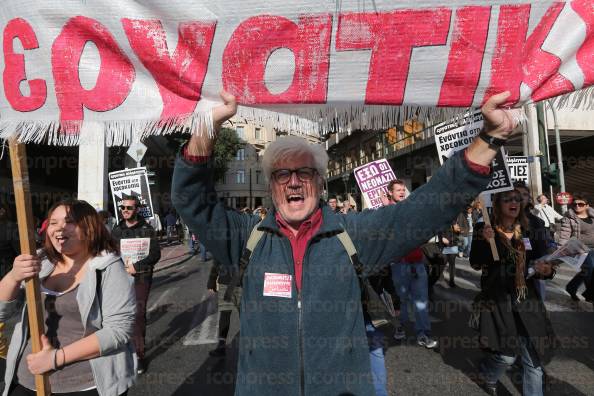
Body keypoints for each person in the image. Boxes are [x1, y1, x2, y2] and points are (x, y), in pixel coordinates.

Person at [172, 90, 519, 395]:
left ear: (320, 183)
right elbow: (190, 201)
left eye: (304, 173)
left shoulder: (352, 235)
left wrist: (491, 137)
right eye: (283, 174)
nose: (294, 183)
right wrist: (207, 125)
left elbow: (425, 211)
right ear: (271, 186)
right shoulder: (245, 238)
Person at [0, 199, 135, 396]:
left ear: (89, 227)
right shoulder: (40, 260)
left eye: (69, 221)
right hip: (27, 379)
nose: (59, 228)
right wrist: (13, 276)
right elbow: (2, 313)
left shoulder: (108, 267)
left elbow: (118, 331)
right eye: (53, 223)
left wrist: (55, 358)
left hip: (85, 383)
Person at [469, 189, 557, 396]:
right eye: (508, 199)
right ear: (497, 204)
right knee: (507, 356)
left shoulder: (529, 229)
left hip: (527, 300)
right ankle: (489, 375)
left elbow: (540, 261)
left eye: (517, 199)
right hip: (498, 301)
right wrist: (485, 241)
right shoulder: (484, 227)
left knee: (533, 360)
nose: (514, 203)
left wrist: (546, 271)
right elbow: (475, 262)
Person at [383, 179, 437, 348]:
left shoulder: (411, 208)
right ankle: (401, 327)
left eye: (403, 189)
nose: (401, 192)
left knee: (421, 301)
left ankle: (423, 334)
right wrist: (387, 210)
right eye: (398, 189)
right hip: (398, 265)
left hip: (417, 263)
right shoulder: (385, 212)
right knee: (401, 300)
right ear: (390, 193)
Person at [111, 196, 161, 375]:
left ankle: (139, 356)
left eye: (129, 208)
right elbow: (110, 253)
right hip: (119, 279)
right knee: (119, 315)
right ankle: (120, 353)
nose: (125, 210)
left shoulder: (147, 229)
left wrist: (136, 267)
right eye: (122, 207)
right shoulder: (117, 230)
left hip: (141, 279)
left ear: (137, 209)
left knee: (138, 315)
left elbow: (155, 255)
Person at [558, 195, 594, 302]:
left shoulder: (592, 215)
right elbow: (564, 235)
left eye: (581, 204)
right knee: (590, 269)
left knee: (586, 271)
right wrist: (561, 250)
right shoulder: (569, 218)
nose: (577, 206)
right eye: (575, 204)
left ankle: (571, 287)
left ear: (587, 205)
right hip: (579, 248)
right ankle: (591, 296)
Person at [206, 260, 241, 357]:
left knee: (225, 313)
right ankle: (251, 347)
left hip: (227, 282)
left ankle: (221, 346)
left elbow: (217, 259)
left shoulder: (223, 244)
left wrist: (212, 280)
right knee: (243, 315)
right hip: (241, 280)